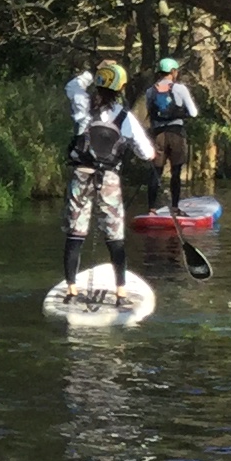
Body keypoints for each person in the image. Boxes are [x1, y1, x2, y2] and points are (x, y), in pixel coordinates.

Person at [60, 68, 154, 304]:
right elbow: (146, 153)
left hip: (81, 176)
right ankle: (120, 292)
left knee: (75, 234)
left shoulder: (83, 105)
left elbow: (72, 86)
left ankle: (71, 289)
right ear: (121, 89)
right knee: (115, 237)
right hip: (109, 180)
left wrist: (91, 72)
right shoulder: (125, 117)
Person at [140, 56, 200, 212]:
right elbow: (193, 113)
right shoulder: (180, 89)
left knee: (156, 172)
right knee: (176, 171)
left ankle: (151, 209)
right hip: (176, 134)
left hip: (158, 135)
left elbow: (151, 112)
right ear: (173, 72)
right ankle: (174, 207)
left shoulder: (150, 91)